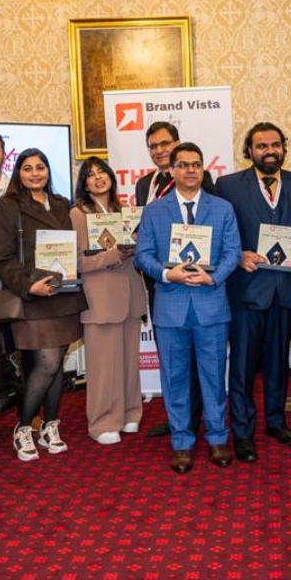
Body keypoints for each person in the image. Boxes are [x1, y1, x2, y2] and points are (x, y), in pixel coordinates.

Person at [216, 122, 291, 463]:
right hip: (246, 289)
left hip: (287, 290)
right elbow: (216, 232)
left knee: (278, 362)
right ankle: (243, 433)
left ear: (284, 148)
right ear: (249, 150)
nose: (269, 151)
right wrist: (238, 255)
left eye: (275, 145)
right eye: (261, 146)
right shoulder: (228, 186)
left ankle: (276, 421)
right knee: (243, 366)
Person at [134, 142, 242, 473]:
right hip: (170, 306)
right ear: (172, 170)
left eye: (196, 164)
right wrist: (167, 273)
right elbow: (142, 255)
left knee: (214, 378)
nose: (190, 170)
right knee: (174, 378)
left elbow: (233, 252)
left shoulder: (222, 209)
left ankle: (218, 438)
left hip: (211, 305)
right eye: (183, 164)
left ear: (203, 169)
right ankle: (181, 442)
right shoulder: (154, 211)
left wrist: (214, 277)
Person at [0, 148, 88, 460]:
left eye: (40, 167)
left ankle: (50, 426)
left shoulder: (60, 204)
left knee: (57, 365)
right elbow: (2, 258)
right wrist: (29, 285)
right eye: (28, 168)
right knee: (47, 364)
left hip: (64, 295)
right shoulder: (7, 206)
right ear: (18, 173)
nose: (35, 173)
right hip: (33, 296)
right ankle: (22, 428)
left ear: (48, 171)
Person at [133, 121, 213, 439]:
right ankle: (177, 418)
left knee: (195, 359)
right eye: (153, 146)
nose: (159, 150)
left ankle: (193, 419)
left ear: (177, 145)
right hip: (161, 282)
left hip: (194, 282)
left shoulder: (201, 181)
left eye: (165, 144)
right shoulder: (145, 185)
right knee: (172, 359)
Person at [71, 156, 148, 444]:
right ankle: (102, 421)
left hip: (130, 294)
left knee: (129, 362)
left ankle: (130, 413)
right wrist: (114, 254)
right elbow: (78, 262)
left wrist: (139, 245)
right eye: (91, 174)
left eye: (102, 172)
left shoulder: (125, 210)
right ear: (85, 183)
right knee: (104, 366)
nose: (98, 178)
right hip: (100, 298)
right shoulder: (78, 214)